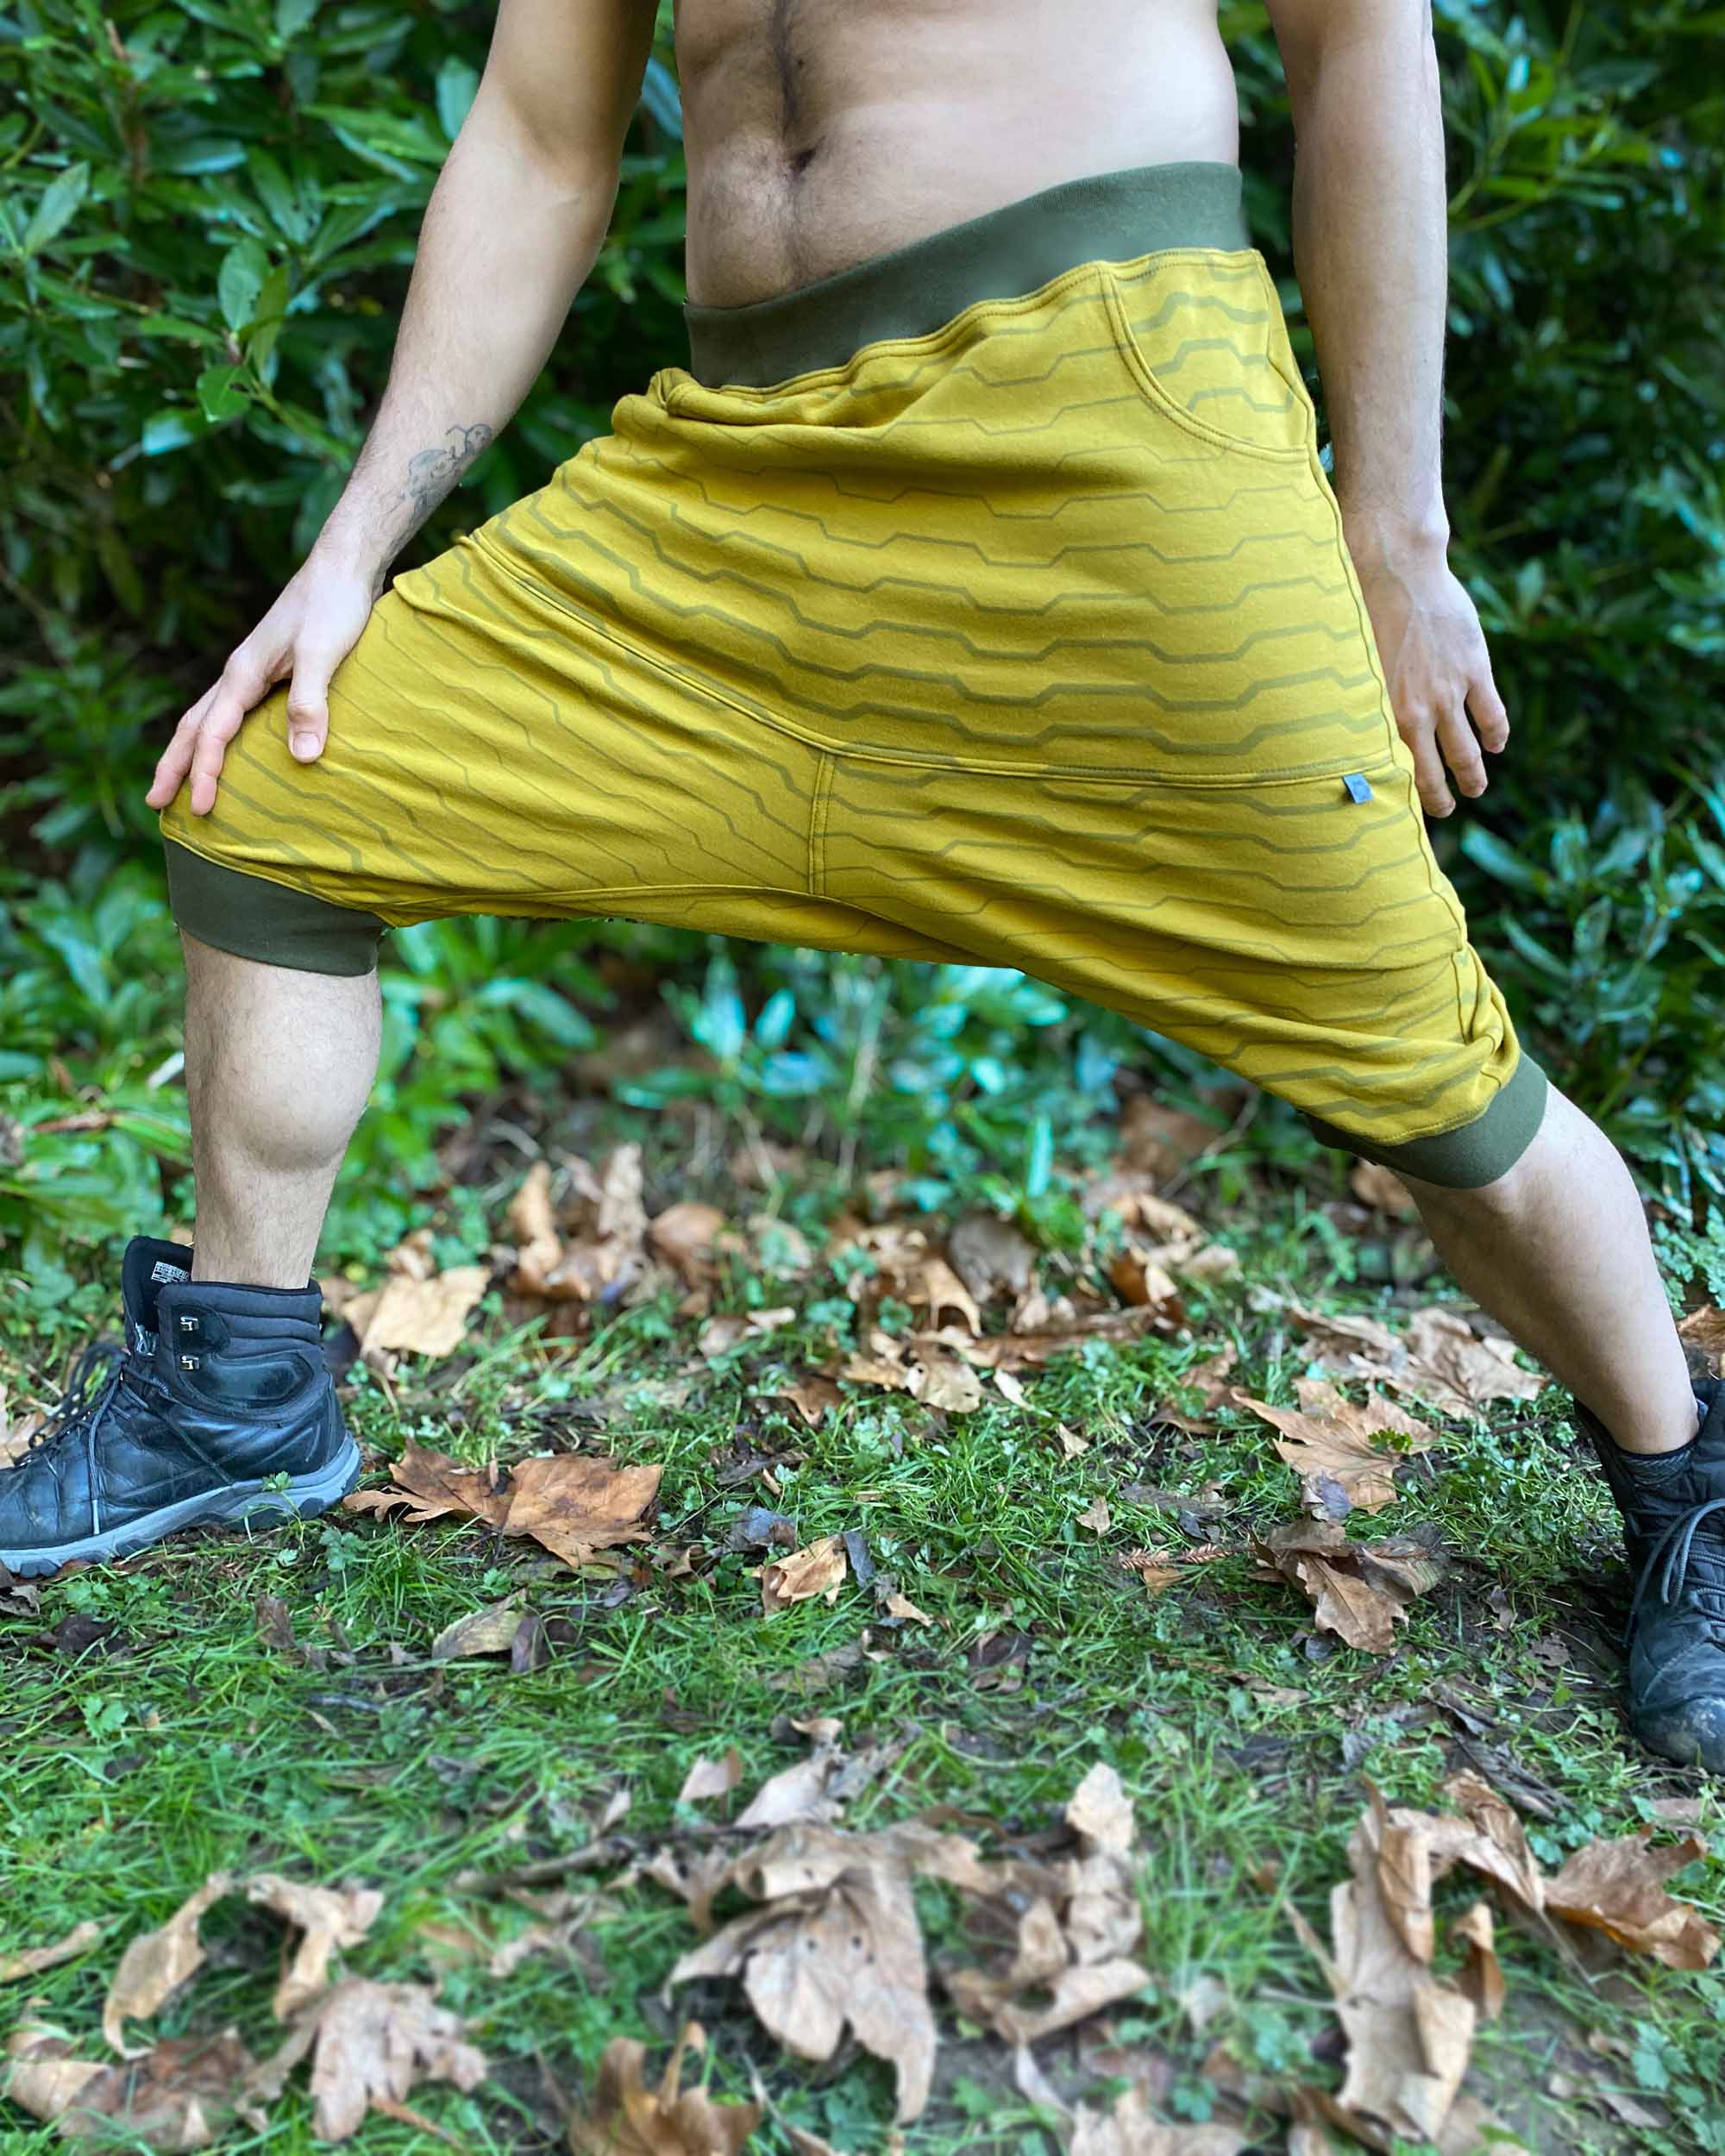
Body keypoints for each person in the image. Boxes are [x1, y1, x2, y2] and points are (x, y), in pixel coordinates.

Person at [9, 0, 1720, 1773]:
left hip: (1107, 436)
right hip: (732, 478)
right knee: (280, 792)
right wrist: (350, 552)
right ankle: (235, 1399)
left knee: (1431, 1086)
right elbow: (538, 138)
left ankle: (1688, 1471)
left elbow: (1360, 40)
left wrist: (1397, 532)